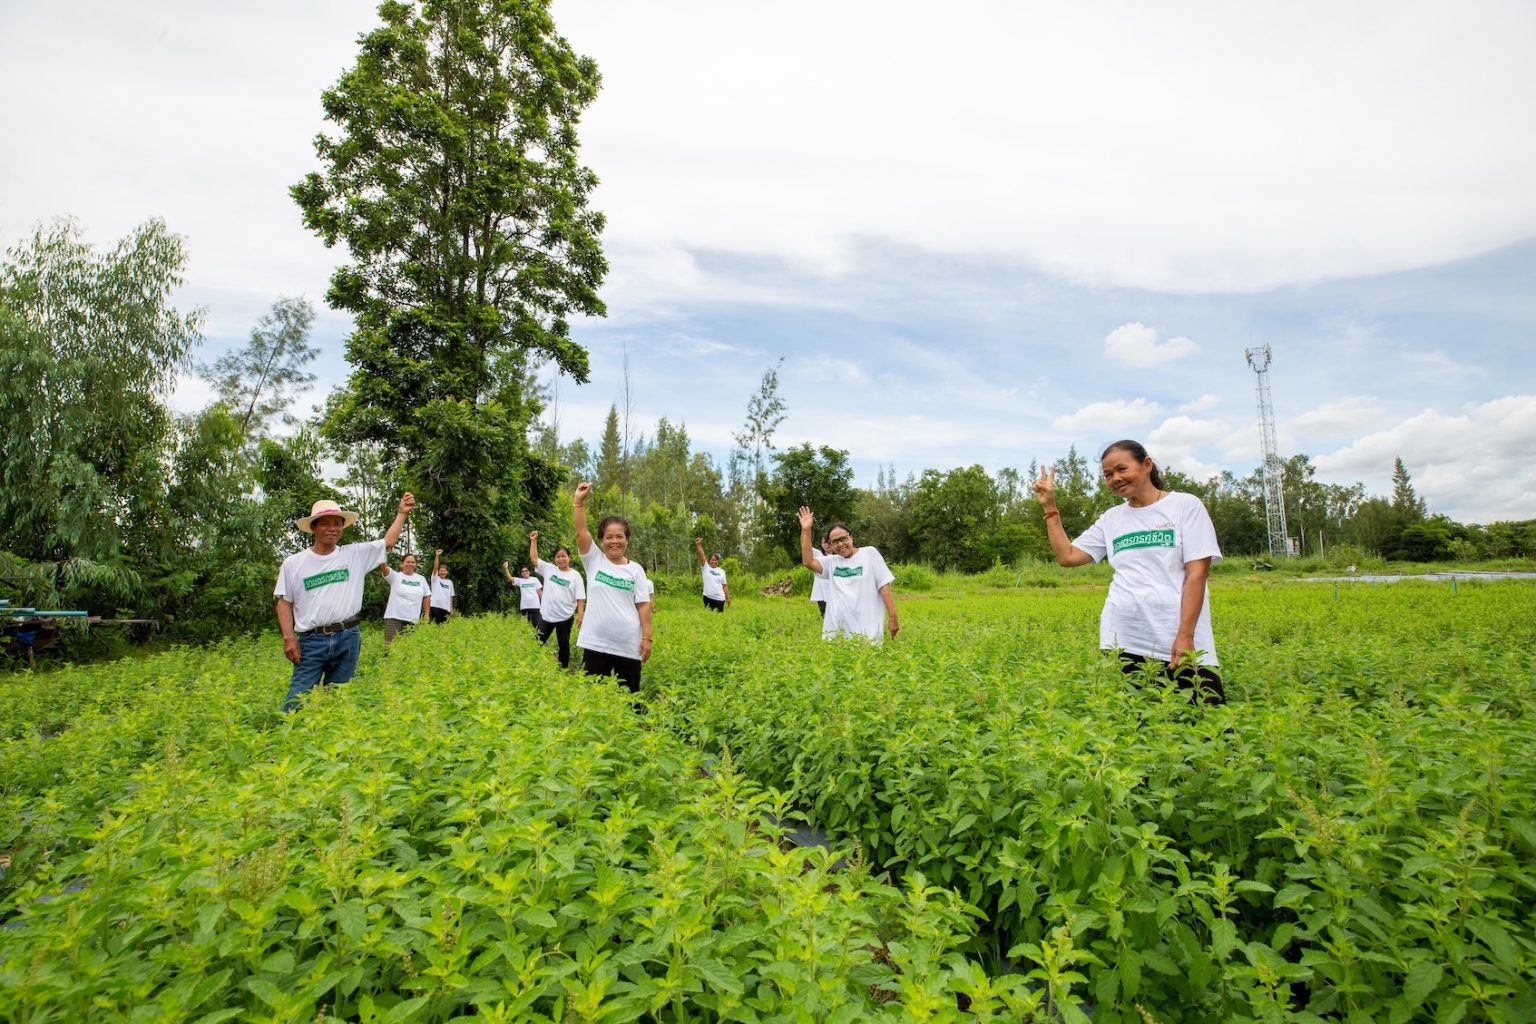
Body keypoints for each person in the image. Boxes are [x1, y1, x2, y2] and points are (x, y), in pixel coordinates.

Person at [1033, 440, 1226, 704]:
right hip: (1124, 638)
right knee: (1137, 727)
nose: (1115, 479)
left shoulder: (1185, 506)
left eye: (1121, 469)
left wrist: (1185, 635)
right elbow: (1068, 556)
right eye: (1108, 474)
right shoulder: (1112, 519)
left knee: (1207, 720)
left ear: (1147, 465)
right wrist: (1049, 507)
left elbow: (1197, 574)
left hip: (1177, 639)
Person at [274, 492, 415, 711]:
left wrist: (401, 514)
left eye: (337, 524)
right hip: (311, 641)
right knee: (296, 702)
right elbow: (284, 602)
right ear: (313, 528)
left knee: (338, 700)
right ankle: (287, 740)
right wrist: (288, 638)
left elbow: (388, 542)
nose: (333, 528)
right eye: (326, 524)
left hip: (348, 637)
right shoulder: (294, 563)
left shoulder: (354, 555)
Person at [573, 481, 654, 694]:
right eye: (609, 536)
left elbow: (644, 606)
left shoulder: (636, 570)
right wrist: (578, 503)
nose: (614, 541)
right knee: (592, 699)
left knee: (630, 701)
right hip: (596, 643)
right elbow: (581, 532)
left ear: (627, 540)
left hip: (628, 645)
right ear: (601, 540)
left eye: (620, 536)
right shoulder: (594, 561)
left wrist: (647, 637)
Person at [798, 508, 898, 641]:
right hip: (836, 631)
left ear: (851, 537)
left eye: (843, 539)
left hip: (866, 629)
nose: (840, 544)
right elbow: (808, 562)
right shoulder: (832, 562)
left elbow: (883, 585)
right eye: (835, 541)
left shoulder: (869, 553)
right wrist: (806, 530)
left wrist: (893, 616)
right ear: (831, 545)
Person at [525, 530, 587, 669]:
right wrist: (533, 541)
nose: (560, 559)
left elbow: (580, 597)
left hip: (565, 617)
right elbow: (534, 559)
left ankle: (563, 671)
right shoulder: (549, 569)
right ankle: (530, 668)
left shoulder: (575, 576)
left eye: (563, 556)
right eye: (558, 557)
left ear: (569, 558)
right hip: (546, 616)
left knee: (563, 645)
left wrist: (581, 614)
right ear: (555, 559)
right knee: (537, 642)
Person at [379, 552, 430, 650]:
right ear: (401, 564)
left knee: (407, 649)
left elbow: (427, 596)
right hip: (394, 617)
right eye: (408, 562)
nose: (410, 564)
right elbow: (384, 567)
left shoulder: (421, 579)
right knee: (389, 648)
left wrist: (426, 614)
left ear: (415, 565)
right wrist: (383, 551)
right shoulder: (395, 576)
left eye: (413, 562)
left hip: (413, 619)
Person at [694, 537, 731, 612]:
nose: (714, 561)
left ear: (718, 561)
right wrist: (698, 545)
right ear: (709, 560)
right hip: (708, 598)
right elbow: (702, 555)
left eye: (716, 560)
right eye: (712, 559)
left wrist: (728, 598)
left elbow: (725, 586)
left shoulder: (721, 571)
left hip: (720, 599)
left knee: (718, 620)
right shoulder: (705, 567)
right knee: (708, 618)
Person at [502, 561, 543, 628]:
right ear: (521, 573)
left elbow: (540, 592)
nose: (525, 572)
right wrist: (506, 569)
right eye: (522, 571)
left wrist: (545, 603)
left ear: (529, 571)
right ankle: (526, 638)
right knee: (525, 626)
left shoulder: (535, 579)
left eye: (526, 570)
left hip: (535, 606)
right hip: (524, 606)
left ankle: (537, 638)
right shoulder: (520, 581)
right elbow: (510, 578)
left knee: (536, 625)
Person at [808, 532, 832, 618]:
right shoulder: (818, 554)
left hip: (833, 588)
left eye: (828, 542)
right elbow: (806, 546)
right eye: (824, 542)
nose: (826, 545)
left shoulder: (838, 556)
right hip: (821, 589)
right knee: (824, 612)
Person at [429, 550, 455, 623]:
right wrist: (437, 556)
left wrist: (451, 609)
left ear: (447, 572)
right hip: (435, 606)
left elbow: (450, 597)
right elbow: (435, 568)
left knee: (445, 628)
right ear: (438, 572)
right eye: (441, 570)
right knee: (437, 626)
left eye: (444, 571)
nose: (442, 572)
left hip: (446, 608)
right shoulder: (435, 579)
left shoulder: (450, 582)